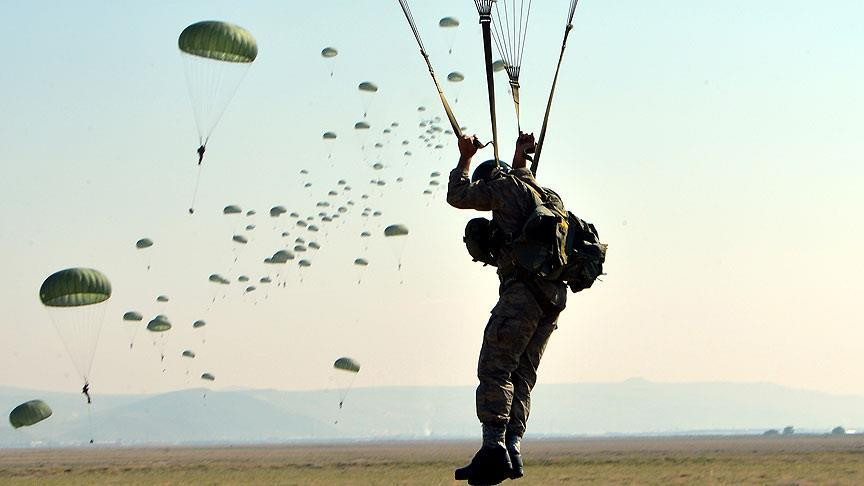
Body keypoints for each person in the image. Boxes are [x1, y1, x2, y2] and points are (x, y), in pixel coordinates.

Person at [448, 132, 568, 485]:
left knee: (495, 367)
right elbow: (522, 178)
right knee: (523, 375)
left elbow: (458, 196)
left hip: (523, 295)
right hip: (552, 299)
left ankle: (492, 448)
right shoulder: (542, 194)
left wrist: (465, 157)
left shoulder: (500, 187)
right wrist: (519, 154)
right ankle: (513, 449)